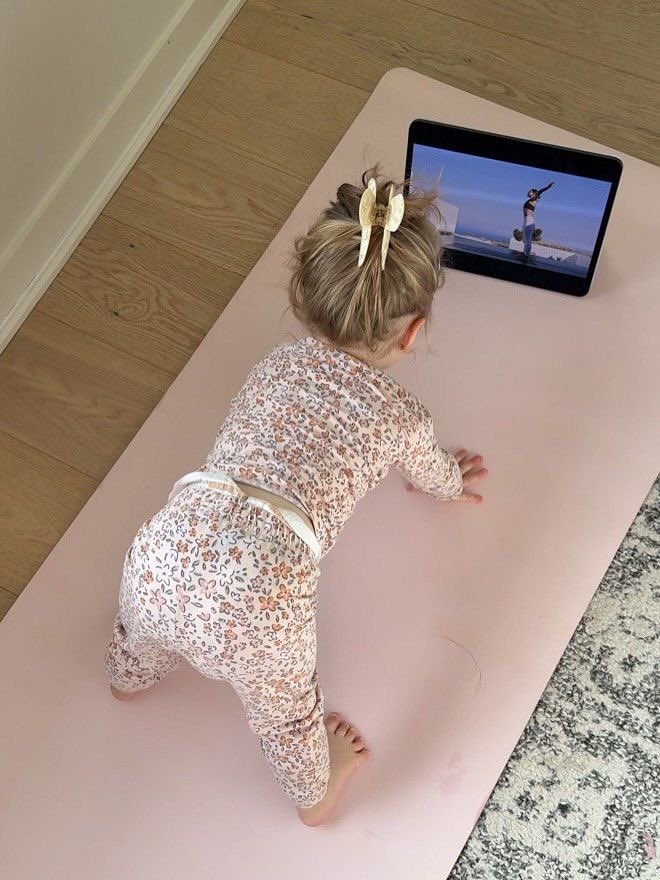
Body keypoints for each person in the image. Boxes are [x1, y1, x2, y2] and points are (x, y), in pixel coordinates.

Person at [105, 166, 489, 828]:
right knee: (287, 716)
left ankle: (128, 676)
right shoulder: (401, 418)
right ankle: (316, 793)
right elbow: (431, 473)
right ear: (411, 332)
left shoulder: (272, 365)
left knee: (147, 622)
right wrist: (449, 481)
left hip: (170, 542)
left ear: (302, 295)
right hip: (262, 593)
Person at [522, 181, 554, 259]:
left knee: (528, 240)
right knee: (525, 240)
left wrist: (548, 187)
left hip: (529, 221)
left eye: (530, 191)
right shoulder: (530, 200)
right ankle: (524, 254)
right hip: (526, 221)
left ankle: (526, 256)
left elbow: (540, 191)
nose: (528, 192)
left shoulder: (534, 199)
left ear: (534, 193)